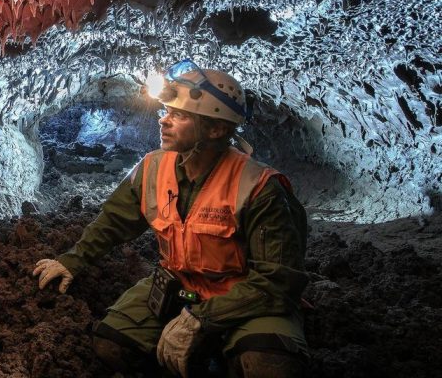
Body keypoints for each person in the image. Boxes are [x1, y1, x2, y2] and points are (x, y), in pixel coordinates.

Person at [32, 59, 309, 378]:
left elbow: (278, 282)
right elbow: (114, 221)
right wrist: (73, 260)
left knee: (268, 366)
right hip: (183, 285)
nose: (164, 121)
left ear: (216, 129)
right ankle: (192, 357)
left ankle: (230, 346)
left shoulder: (258, 188)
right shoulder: (153, 169)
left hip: (247, 297)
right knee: (112, 345)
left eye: (179, 115)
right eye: (165, 111)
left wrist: (201, 320)